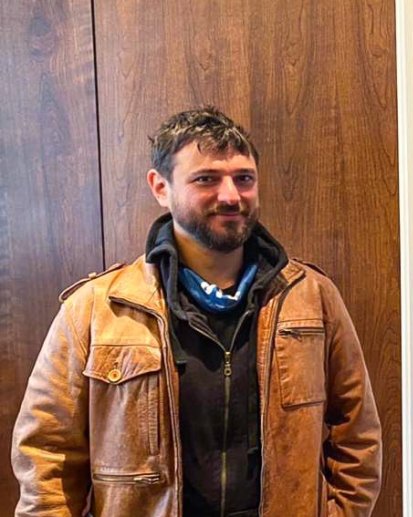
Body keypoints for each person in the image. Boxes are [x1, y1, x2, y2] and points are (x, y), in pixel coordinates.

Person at [11, 107, 382, 516]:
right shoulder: (97, 309)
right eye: (206, 179)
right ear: (161, 187)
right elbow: (47, 452)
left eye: (244, 178)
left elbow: (357, 434)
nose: (231, 196)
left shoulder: (312, 297)